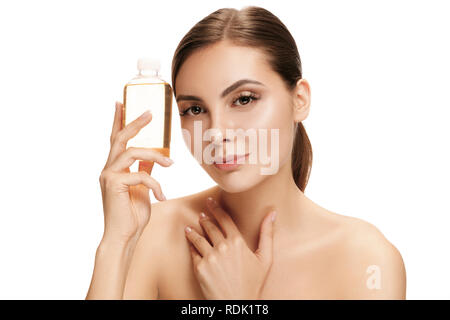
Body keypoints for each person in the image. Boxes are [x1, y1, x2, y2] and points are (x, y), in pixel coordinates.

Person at [86, 6, 406, 300]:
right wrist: (116, 242)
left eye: (244, 99)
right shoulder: (155, 233)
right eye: (195, 108)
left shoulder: (367, 260)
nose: (216, 132)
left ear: (300, 100)